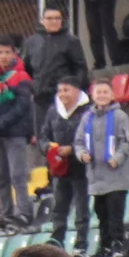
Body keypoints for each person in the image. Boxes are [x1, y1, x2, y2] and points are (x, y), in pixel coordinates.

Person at [71, 77, 129, 256]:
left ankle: (118, 244)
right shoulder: (87, 118)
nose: (101, 95)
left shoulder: (120, 116)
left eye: (105, 92)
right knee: (101, 215)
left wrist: (117, 157)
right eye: (98, 92)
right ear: (92, 95)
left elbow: (127, 142)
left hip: (116, 176)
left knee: (115, 213)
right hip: (96, 177)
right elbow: (78, 142)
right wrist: (81, 154)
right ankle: (105, 245)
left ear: (112, 94)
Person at [0, 43, 37, 224]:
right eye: (0, 52)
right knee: (0, 177)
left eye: (7, 52)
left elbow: (21, 107)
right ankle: (7, 214)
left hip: (15, 133)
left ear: (14, 54)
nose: (3, 56)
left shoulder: (22, 77)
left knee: (18, 176)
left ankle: (24, 214)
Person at [36, 76, 93, 245]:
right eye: (60, 91)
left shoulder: (88, 111)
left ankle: (81, 242)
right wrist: (48, 148)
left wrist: (72, 149)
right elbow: (43, 136)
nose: (62, 94)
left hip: (81, 168)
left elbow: (92, 139)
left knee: (82, 208)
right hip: (59, 169)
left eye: (66, 90)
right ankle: (57, 240)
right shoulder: (53, 111)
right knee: (59, 208)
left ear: (77, 91)